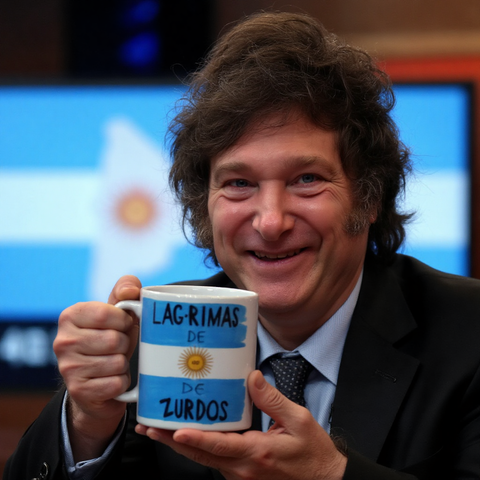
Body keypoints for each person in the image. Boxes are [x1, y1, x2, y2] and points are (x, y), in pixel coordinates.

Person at [5, 10, 480, 480]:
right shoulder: (158, 335)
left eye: (307, 179)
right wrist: (87, 421)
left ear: (369, 196)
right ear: (205, 205)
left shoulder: (470, 335)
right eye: (239, 184)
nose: (271, 222)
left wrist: (332, 475)